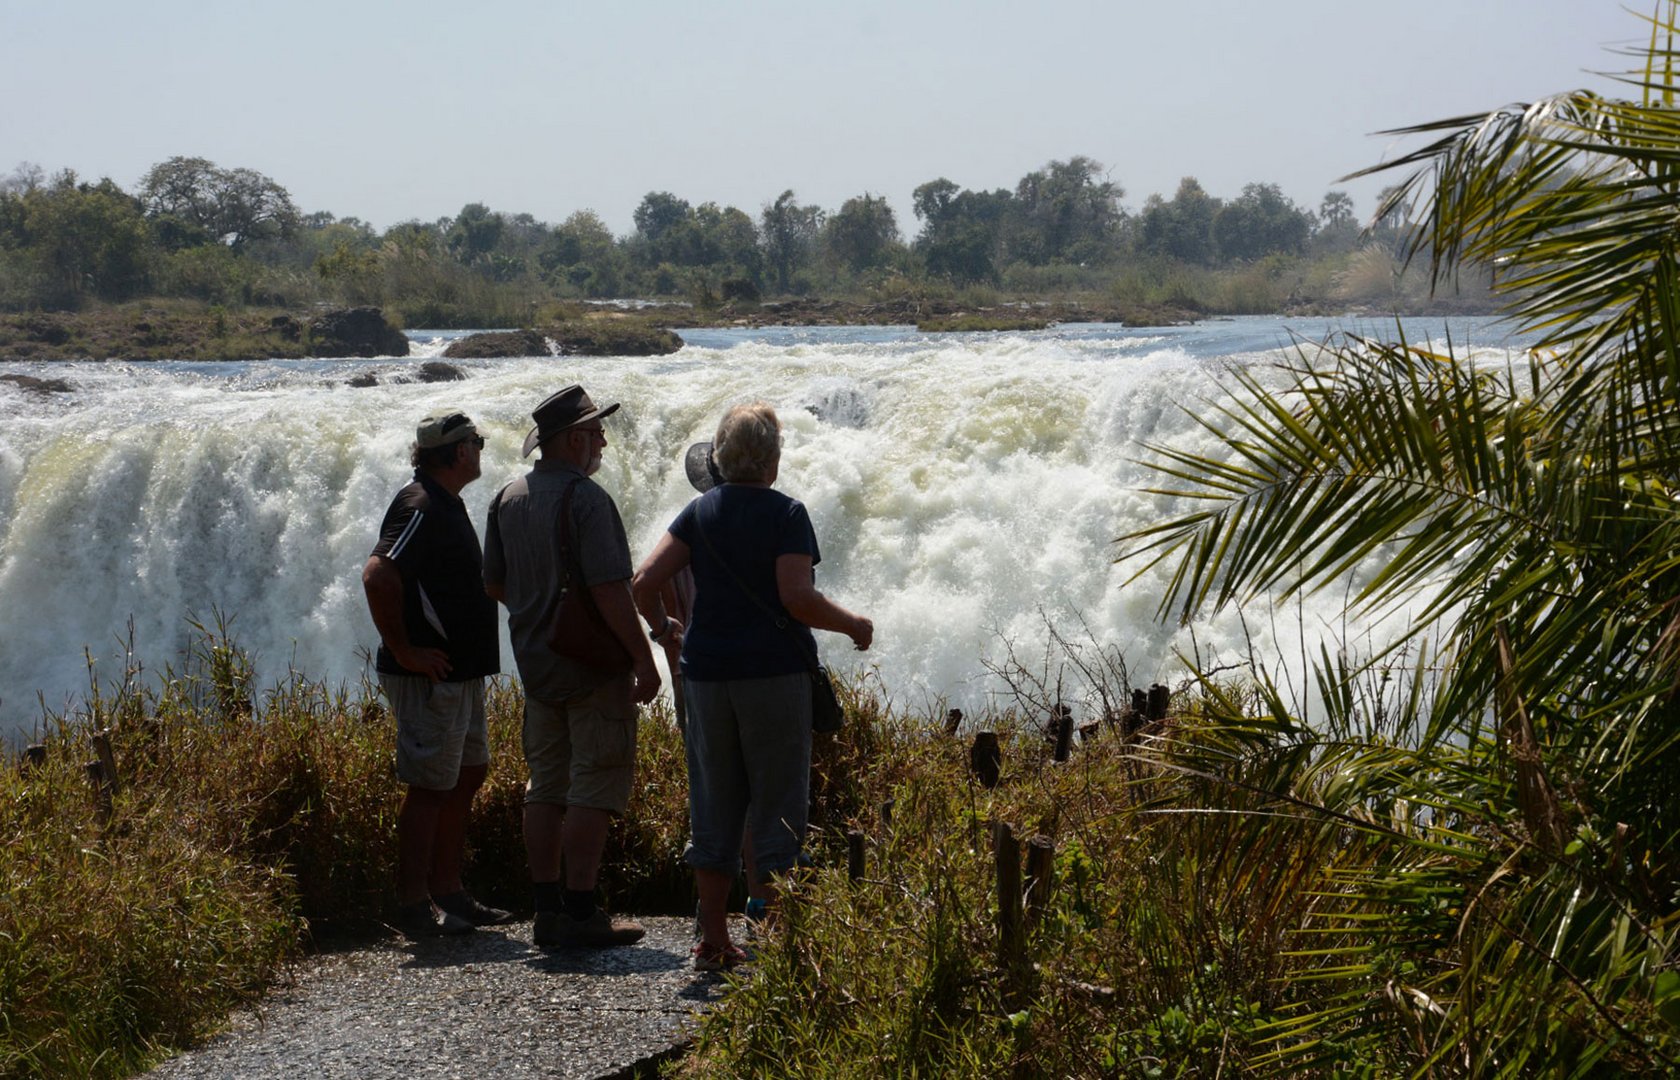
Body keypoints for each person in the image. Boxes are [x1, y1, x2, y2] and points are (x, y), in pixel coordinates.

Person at [632, 402, 873, 971]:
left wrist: (665, 629)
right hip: (772, 677)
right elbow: (796, 597)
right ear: (771, 458)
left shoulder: (699, 512)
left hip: (707, 678)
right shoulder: (787, 513)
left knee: (714, 802)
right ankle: (783, 938)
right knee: (778, 804)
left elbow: (644, 581)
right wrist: (854, 625)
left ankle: (712, 941)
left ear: (720, 456)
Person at [483, 385, 660, 948]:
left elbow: (493, 583)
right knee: (594, 785)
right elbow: (611, 590)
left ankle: (547, 910)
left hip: (537, 667)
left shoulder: (506, 497)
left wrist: (539, 618)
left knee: (545, 787)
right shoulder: (587, 499)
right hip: (591, 667)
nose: (603, 441)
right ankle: (582, 910)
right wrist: (643, 658)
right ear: (575, 440)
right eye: (596, 432)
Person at [362, 409, 511, 939]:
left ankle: (449, 893)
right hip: (431, 676)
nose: (482, 447)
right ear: (457, 451)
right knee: (429, 786)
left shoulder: (442, 500)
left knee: (466, 774)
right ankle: (412, 904)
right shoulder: (422, 503)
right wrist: (405, 651)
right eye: (477, 440)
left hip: (457, 674)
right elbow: (378, 573)